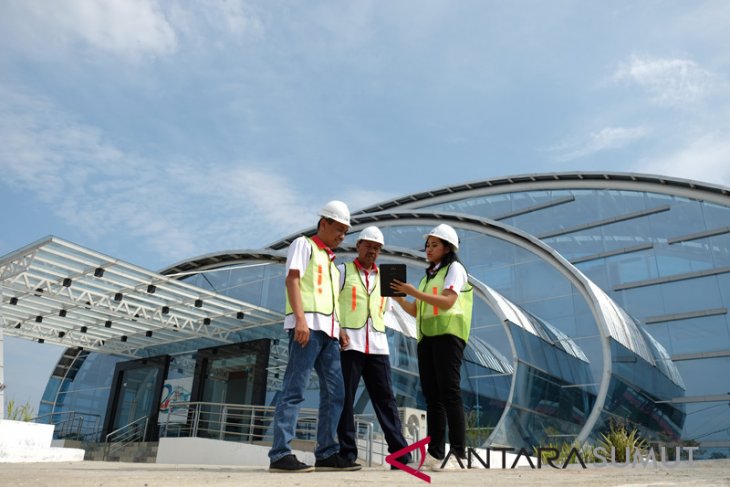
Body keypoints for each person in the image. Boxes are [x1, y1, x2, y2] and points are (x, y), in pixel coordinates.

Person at [268, 201, 362, 473]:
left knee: (337, 393)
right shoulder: (303, 245)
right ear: (324, 223)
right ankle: (280, 454)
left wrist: (340, 328)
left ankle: (326, 452)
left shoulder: (333, 264)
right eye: (339, 229)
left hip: (330, 335)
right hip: (307, 329)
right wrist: (299, 319)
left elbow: (330, 300)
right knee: (294, 390)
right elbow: (293, 280)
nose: (342, 236)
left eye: (346, 232)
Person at [390, 223, 473, 471]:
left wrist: (413, 291)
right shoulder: (429, 277)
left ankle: (458, 454)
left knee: (449, 392)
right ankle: (436, 454)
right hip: (427, 338)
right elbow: (416, 310)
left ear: (448, 248)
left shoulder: (455, 269)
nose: (428, 248)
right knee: (432, 397)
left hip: (449, 335)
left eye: (434, 245)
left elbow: (448, 301)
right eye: (427, 244)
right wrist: (399, 297)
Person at [336, 226, 412, 468]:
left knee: (386, 401)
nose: (373, 250)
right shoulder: (341, 272)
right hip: (350, 345)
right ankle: (347, 454)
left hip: (378, 346)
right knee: (345, 400)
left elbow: (394, 310)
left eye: (377, 248)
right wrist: (338, 329)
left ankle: (400, 455)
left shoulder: (388, 278)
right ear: (358, 245)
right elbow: (330, 304)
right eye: (369, 245)